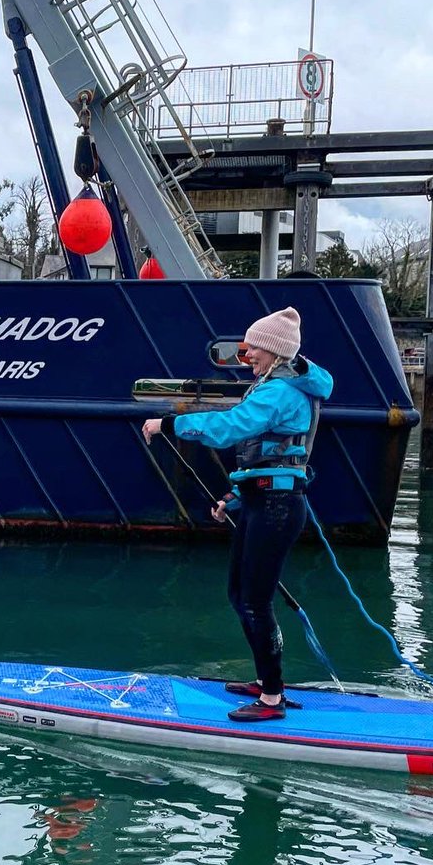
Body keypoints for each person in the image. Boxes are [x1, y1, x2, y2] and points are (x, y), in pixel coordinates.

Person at [142, 306, 333, 723]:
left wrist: (171, 425)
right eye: (245, 351)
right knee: (239, 596)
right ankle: (266, 682)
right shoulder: (271, 387)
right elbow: (267, 464)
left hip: (278, 509)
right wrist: (234, 498)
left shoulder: (279, 392)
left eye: (252, 351)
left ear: (275, 353)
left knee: (255, 602)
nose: (246, 359)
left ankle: (272, 698)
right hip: (263, 503)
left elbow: (231, 427)